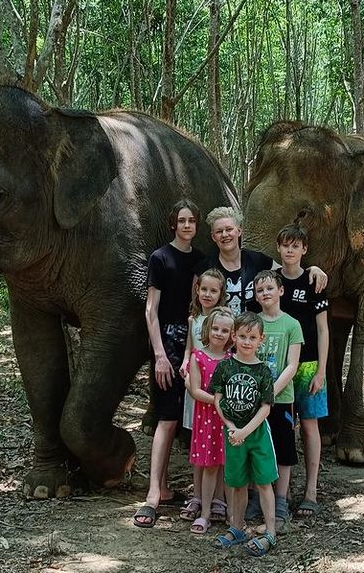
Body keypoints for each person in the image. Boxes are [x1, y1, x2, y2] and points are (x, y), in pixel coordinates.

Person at [133, 200, 205, 528]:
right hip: (167, 343)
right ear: (173, 224)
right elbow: (150, 310)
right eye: (182, 220)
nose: (187, 225)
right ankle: (152, 494)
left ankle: (181, 491)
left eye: (192, 221)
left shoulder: (202, 260)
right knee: (167, 418)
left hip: (195, 343)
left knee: (191, 419)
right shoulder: (160, 258)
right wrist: (160, 355)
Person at [210, 311, 278, 557]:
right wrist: (231, 427)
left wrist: (245, 431)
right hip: (232, 434)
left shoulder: (263, 371)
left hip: (257, 435)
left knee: (263, 482)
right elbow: (218, 399)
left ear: (261, 339)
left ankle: (270, 531)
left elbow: (266, 407)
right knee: (237, 483)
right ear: (234, 337)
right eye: (242, 336)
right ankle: (236, 527)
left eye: (252, 337)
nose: (247, 342)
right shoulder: (225, 367)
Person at [275, 224, 329, 518]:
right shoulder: (272, 281)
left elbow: (322, 329)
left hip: (307, 367)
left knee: (309, 425)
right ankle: (278, 492)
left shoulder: (314, 282)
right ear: (279, 248)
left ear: (304, 250)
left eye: (296, 246)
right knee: (280, 428)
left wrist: (321, 370)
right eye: (286, 245)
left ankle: (310, 491)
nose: (290, 250)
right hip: (278, 369)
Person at [196, 206, 328, 316]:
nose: (225, 235)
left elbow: (287, 272)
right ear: (213, 237)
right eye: (219, 231)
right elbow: (196, 307)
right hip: (219, 339)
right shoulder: (205, 267)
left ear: (239, 231)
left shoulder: (258, 260)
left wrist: (312, 270)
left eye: (229, 229)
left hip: (252, 339)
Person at [252, 269, 303, 534]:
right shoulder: (251, 324)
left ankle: (281, 500)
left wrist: (271, 391)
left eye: (269, 288)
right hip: (254, 401)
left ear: (281, 291)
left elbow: (292, 365)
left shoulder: (292, 325)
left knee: (283, 450)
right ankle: (256, 498)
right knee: (257, 447)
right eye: (260, 290)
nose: (265, 293)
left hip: (281, 399)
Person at [179, 269, 227, 524]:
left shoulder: (225, 320)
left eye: (213, 290)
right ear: (197, 290)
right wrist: (186, 363)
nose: (207, 294)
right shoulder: (193, 319)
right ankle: (197, 496)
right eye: (204, 289)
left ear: (221, 294)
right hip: (195, 385)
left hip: (216, 389)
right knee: (200, 443)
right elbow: (190, 347)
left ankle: (217, 498)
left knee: (218, 445)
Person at [186, 306, 235, 534]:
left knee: (230, 466)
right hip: (207, 419)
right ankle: (205, 512)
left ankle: (232, 513)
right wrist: (218, 401)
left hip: (228, 421)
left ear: (231, 335)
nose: (219, 333)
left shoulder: (231, 359)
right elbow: (195, 390)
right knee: (210, 466)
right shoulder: (198, 357)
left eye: (224, 330)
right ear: (207, 329)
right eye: (215, 328)